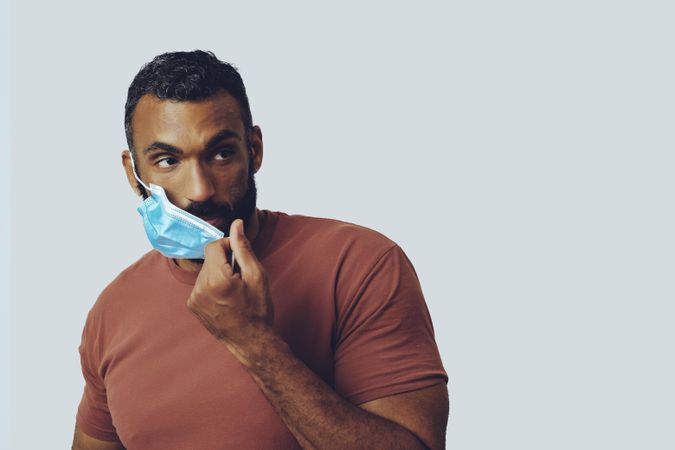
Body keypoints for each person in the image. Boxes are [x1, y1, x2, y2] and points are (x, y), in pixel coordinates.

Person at [72, 50, 449, 450]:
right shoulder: (112, 310)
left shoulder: (359, 264)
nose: (200, 189)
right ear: (134, 174)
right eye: (168, 160)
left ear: (254, 150)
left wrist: (253, 342)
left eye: (221, 154)